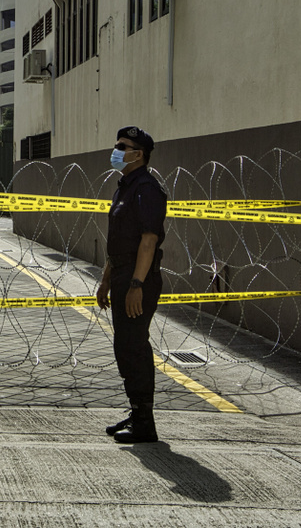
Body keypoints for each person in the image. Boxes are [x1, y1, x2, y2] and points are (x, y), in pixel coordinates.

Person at [97, 126, 167, 443]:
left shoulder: (147, 189)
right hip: (124, 275)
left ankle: (145, 423)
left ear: (138, 154)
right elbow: (119, 243)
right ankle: (137, 412)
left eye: (122, 146)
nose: (116, 150)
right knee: (125, 347)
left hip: (139, 278)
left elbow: (148, 241)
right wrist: (106, 282)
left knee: (135, 347)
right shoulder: (125, 187)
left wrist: (137, 284)